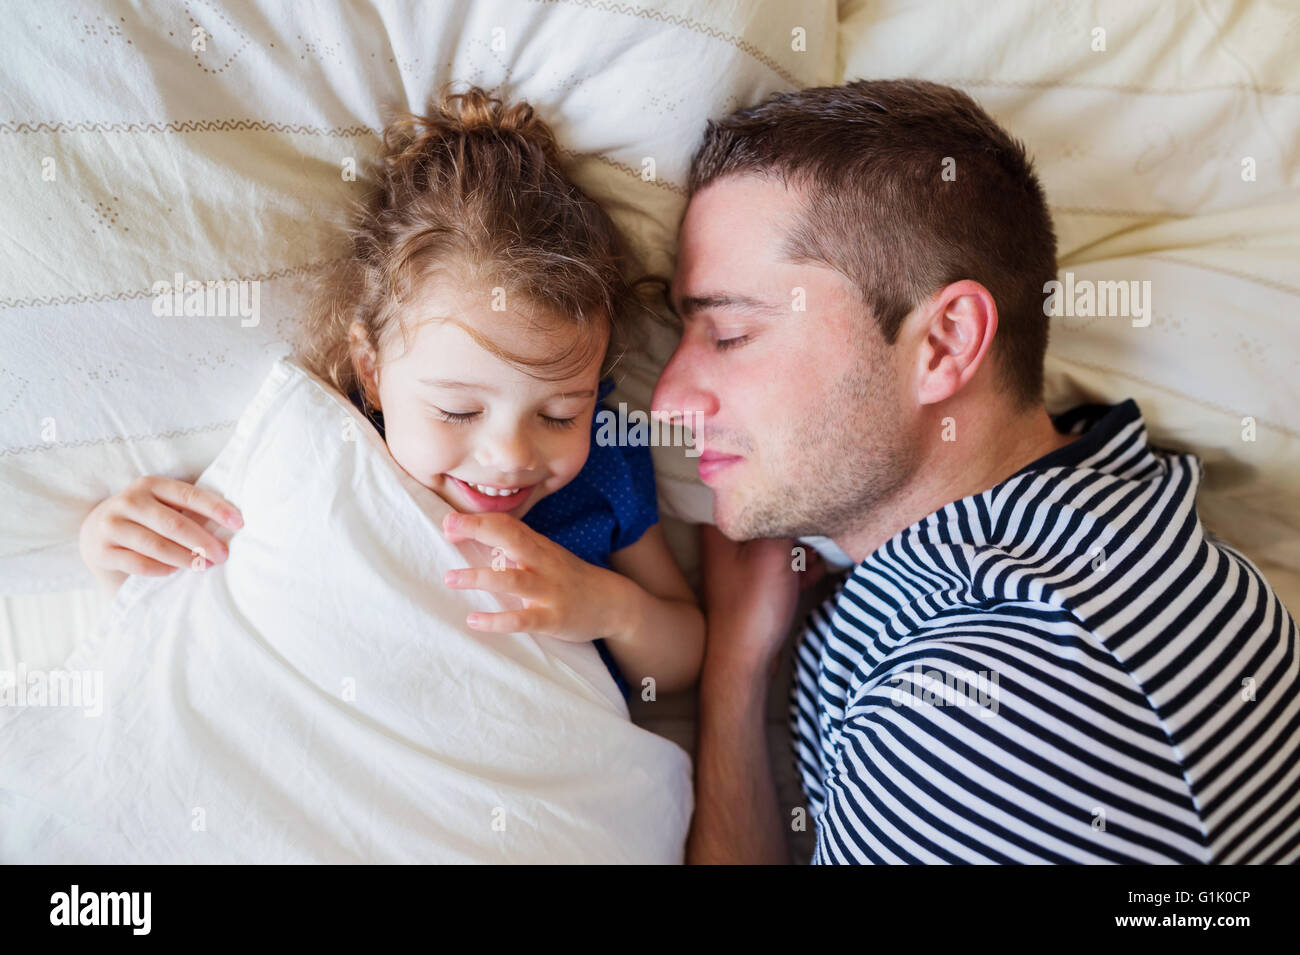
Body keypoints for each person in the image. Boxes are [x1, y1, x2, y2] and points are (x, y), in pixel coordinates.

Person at [652, 79, 1300, 864]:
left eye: (728, 332)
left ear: (946, 343)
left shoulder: (990, 711)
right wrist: (736, 667)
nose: (667, 404)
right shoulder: (1111, 531)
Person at [78, 87, 704, 699]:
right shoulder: (326, 457)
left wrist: (612, 610)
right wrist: (112, 550)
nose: (512, 454)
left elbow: (681, 659)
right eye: (459, 409)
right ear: (371, 371)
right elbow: (196, 625)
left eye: (560, 413)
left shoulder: (603, 469)